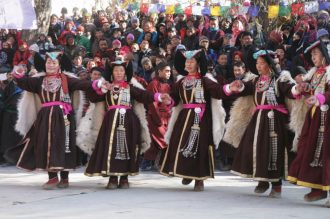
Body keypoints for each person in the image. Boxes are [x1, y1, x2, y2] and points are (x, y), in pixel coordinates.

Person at [8, 52, 97, 190]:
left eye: (54, 63)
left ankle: (65, 178)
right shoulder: (38, 80)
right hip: (44, 117)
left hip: (64, 117)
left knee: (65, 144)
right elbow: (24, 82)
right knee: (46, 144)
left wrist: (97, 84)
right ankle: (52, 177)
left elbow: (82, 85)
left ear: (59, 66)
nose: (51, 65)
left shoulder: (67, 79)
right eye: (48, 62)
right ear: (44, 65)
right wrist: (18, 74)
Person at [83, 60, 171, 189]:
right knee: (111, 148)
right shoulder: (107, 87)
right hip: (110, 121)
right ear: (112, 73)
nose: (119, 73)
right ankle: (112, 178)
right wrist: (99, 86)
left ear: (125, 73)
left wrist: (158, 97)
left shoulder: (130, 87)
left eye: (121, 70)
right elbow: (93, 97)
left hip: (129, 122)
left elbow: (143, 95)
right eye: (116, 70)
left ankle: (124, 178)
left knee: (127, 147)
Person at [225, 50, 297, 198]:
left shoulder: (279, 80)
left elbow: (290, 91)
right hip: (257, 119)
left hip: (274, 120)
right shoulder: (256, 81)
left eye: (262, 63)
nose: (258, 66)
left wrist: (297, 89)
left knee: (272, 151)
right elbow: (245, 89)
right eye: (257, 63)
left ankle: (276, 186)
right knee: (253, 149)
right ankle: (261, 180)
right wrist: (239, 85)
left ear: (269, 65)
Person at [159, 49, 226, 191]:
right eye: (187, 61)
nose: (188, 64)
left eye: (192, 61)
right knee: (180, 143)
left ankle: (199, 179)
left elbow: (218, 92)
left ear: (198, 64)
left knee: (199, 146)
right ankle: (185, 171)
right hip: (184, 117)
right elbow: (175, 100)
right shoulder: (181, 81)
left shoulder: (205, 80)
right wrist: (168, 100)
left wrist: (230, 88)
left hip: (202, 118)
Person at [288, 40, 330, 207]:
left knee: (326, 153)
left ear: (324, 55)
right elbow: (310, 90)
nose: (313, 57)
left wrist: (321, 98)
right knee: (311, 150)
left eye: (316, 54)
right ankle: (318, 187)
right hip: (315, 117)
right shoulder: (314, 73)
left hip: (327, 118)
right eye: (311, 55)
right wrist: (302, 88)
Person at [140, 62, 172, 171]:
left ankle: (148, 164)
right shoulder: (153, 84)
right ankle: (151, 164)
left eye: (170, 71)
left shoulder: (167, 85)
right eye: (167, 71)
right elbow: (151, 103)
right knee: (162, 140)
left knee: (155, 142)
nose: (169, 73)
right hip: (156, 118)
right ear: (159, 71)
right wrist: (158, 120)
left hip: (166, 117)